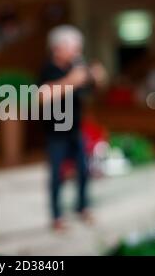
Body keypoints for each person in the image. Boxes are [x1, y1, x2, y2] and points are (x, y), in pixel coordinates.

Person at [38, 25, 107, 232]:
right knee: (57, 175)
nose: (78, 53)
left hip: (76, 130)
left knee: (84, 171)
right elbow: (42, 96)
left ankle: (82, 206)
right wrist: (71, 81)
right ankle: (56, 216)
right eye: (74, 48)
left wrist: (97, 77)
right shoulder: (48, 69)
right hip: (56, 132)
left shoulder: (74, 69)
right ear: (58, 48)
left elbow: (94, 88)